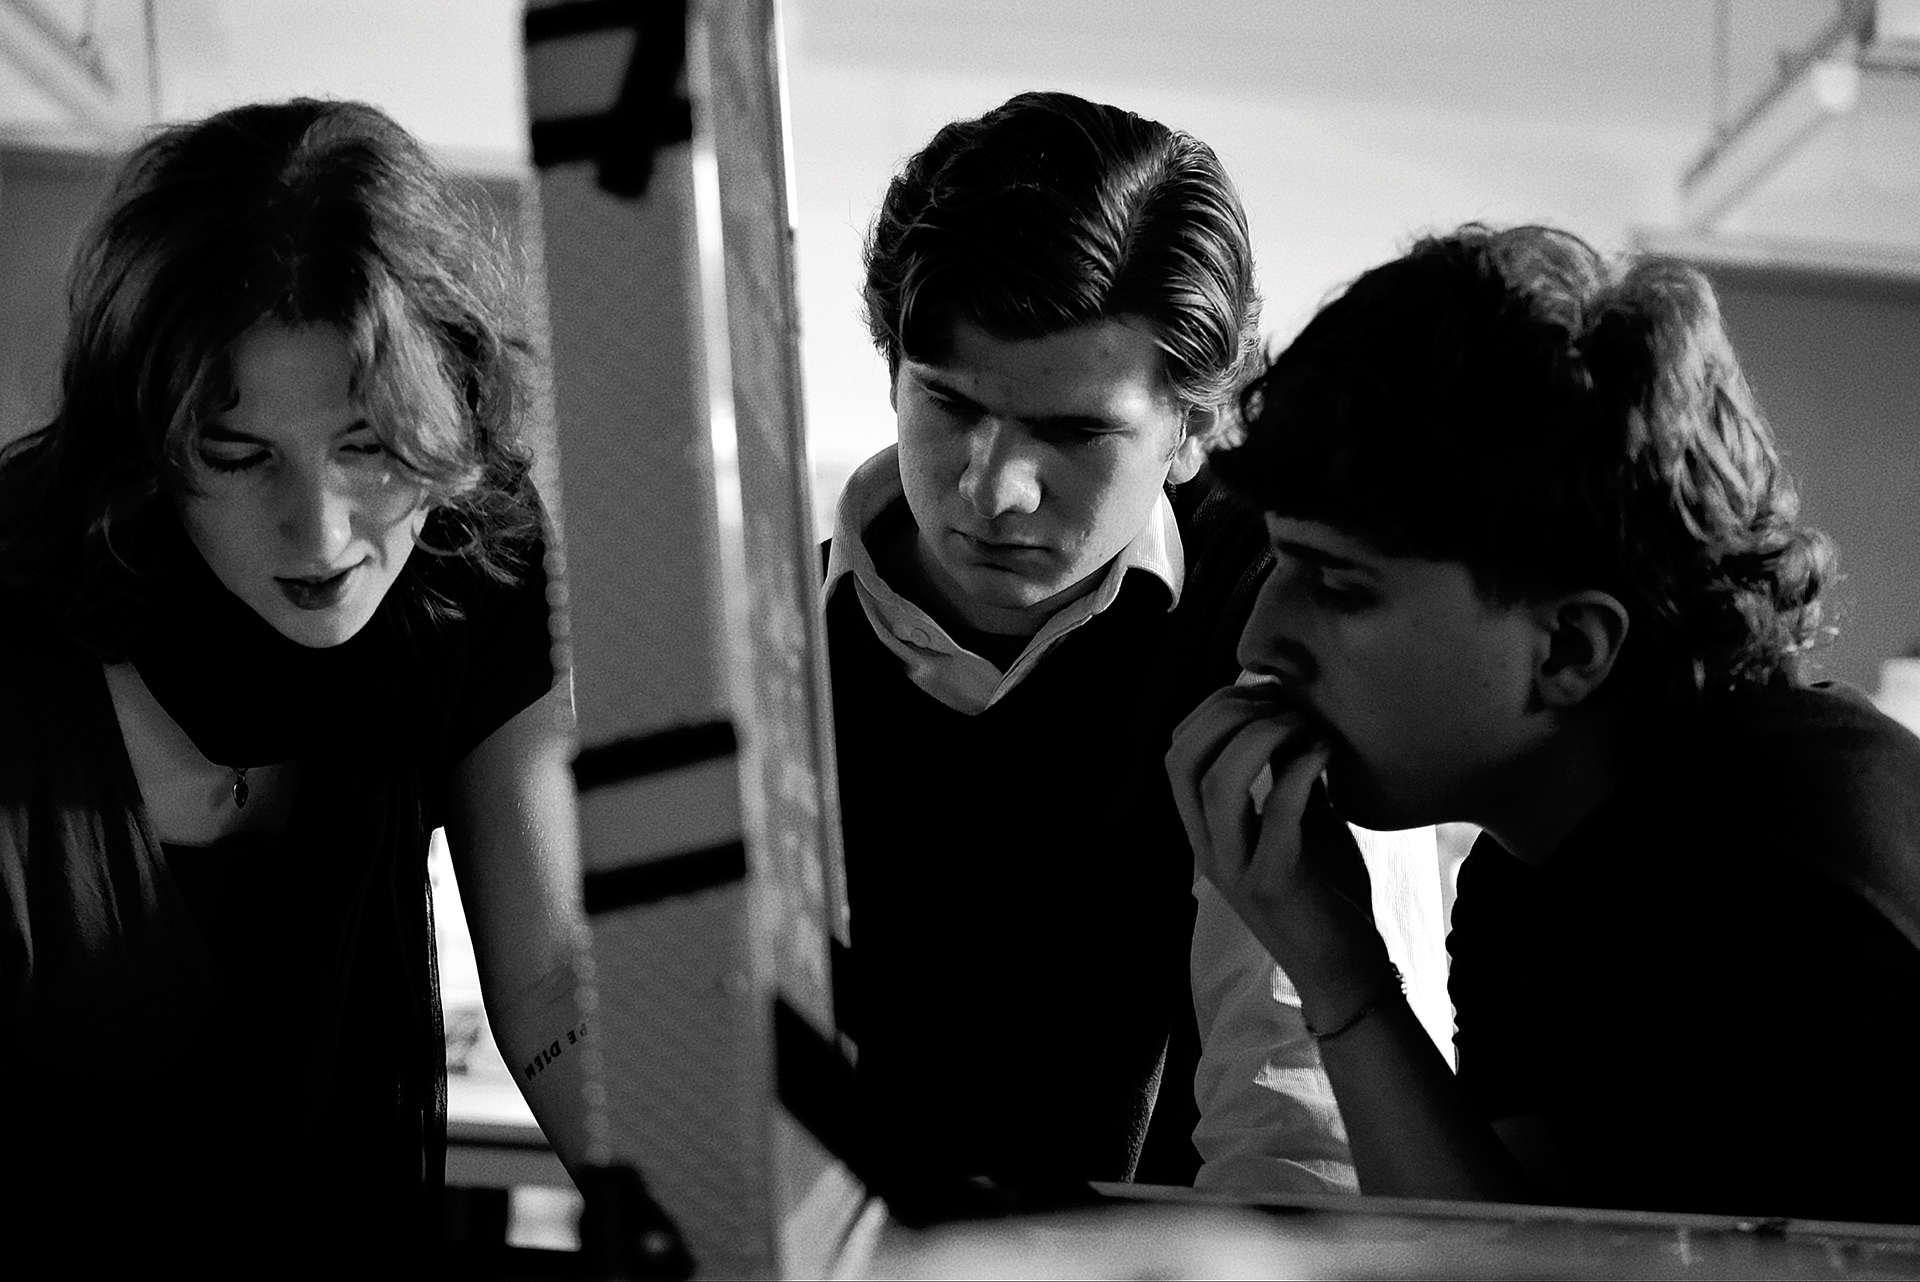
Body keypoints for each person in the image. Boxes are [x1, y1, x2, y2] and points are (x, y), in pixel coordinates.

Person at [1167, 222, 1920, 1222]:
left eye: (1338, 585)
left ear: (1569, 648)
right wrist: (1334, 964)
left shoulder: (1786, 893)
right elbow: (1506, 1248)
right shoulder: (1528, 869)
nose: (1261, 636)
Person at [0, 99, 593, 1267]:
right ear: (144, 446)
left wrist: (710, 1223)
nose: (319, 533)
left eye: (369, 445)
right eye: (237, 455)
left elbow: (551, 978)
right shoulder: (14, 613)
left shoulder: (471, 561)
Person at [823, 89, 1435, 1201]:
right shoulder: (759, 629)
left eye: (1074, 432)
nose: (994, 490)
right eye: (950, 406)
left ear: (1194, 428)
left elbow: (1304, 1136)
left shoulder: (1278, 626)